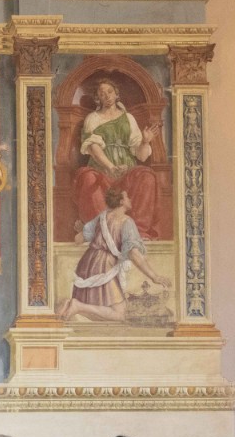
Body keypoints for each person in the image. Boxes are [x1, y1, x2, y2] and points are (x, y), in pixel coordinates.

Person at [59, 189, 170, 322]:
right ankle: (77, 305)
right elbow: (133, 253)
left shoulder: (102, 217)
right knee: (120, 314)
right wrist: (154, 277)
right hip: (104, 265)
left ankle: (73, 305)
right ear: (121, 201)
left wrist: (82, 230)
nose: (130, 199)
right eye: (127, 197)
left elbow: (78, 239)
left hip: (87, 263)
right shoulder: (126, 222)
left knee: (100, 311)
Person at [72, 78, 160, 238]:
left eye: (109, 92)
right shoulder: (92, 118)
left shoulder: (128, 118)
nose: (106, 96)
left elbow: (141, 155)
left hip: (127, 173)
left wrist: (145, 141)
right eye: (102, 93)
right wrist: (111, 167)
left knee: (147, 176)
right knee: (87, 177)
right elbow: (93, 147)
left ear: (116, 94)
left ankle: (138, 231)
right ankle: (102, 230)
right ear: (97, 98)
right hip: (102, 172)